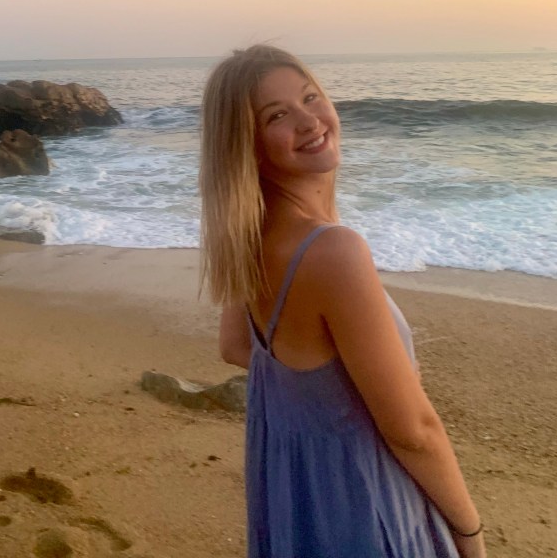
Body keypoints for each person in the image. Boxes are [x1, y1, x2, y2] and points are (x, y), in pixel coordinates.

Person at [199, 44, 486, 558]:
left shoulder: (251, 235)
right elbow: (413, 431)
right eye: (277, 115)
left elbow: (236, 346)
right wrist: (469, 533)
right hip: (363, 498)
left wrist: (327, 393)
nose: (309, 120)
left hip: (299, 498)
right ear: (249, 144)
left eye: (310, 97)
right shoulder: (332, 251)